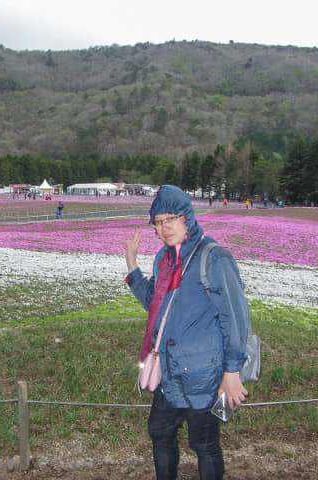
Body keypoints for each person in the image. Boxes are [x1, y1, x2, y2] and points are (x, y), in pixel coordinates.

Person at [124, 185, 249, 480]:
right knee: (159, 431)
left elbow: (236, 318)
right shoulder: (165, 259)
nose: (165, 228)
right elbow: (155, 303)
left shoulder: (214, 257)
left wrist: (232, 372)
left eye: (171, 219)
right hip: (170, 369)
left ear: (187, 217)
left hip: (205, 373)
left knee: (204, 444)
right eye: (158, 221)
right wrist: (132, 267)